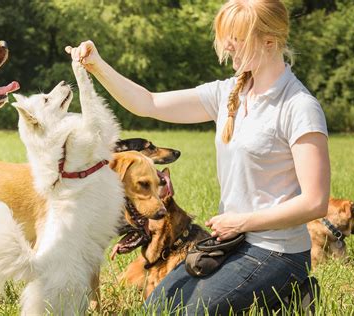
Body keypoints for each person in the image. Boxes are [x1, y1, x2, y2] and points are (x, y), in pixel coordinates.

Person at [66, 0, 330, 314]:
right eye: (226, 36)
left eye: (236, 37)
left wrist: (243, 221)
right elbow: (148, 103)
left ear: (269, 42)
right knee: (155, 309)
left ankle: (290, 288)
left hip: (277, 252)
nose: (227, 46)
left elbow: (315, 202)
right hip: (232, 242)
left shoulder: (299, 107)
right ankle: (282, 300)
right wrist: (97, 65)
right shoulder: (228, 93)